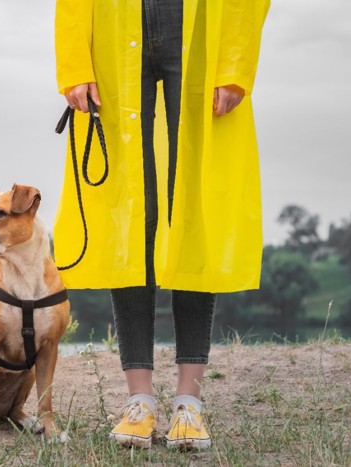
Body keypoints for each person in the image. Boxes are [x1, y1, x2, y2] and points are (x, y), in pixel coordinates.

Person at [53, 0, 270, 450]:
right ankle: (139, 400)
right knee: (130, 224)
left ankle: (188, 403)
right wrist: (75, 62)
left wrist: (234, 63)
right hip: (115, 27)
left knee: (191, 215)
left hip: (195, 25)